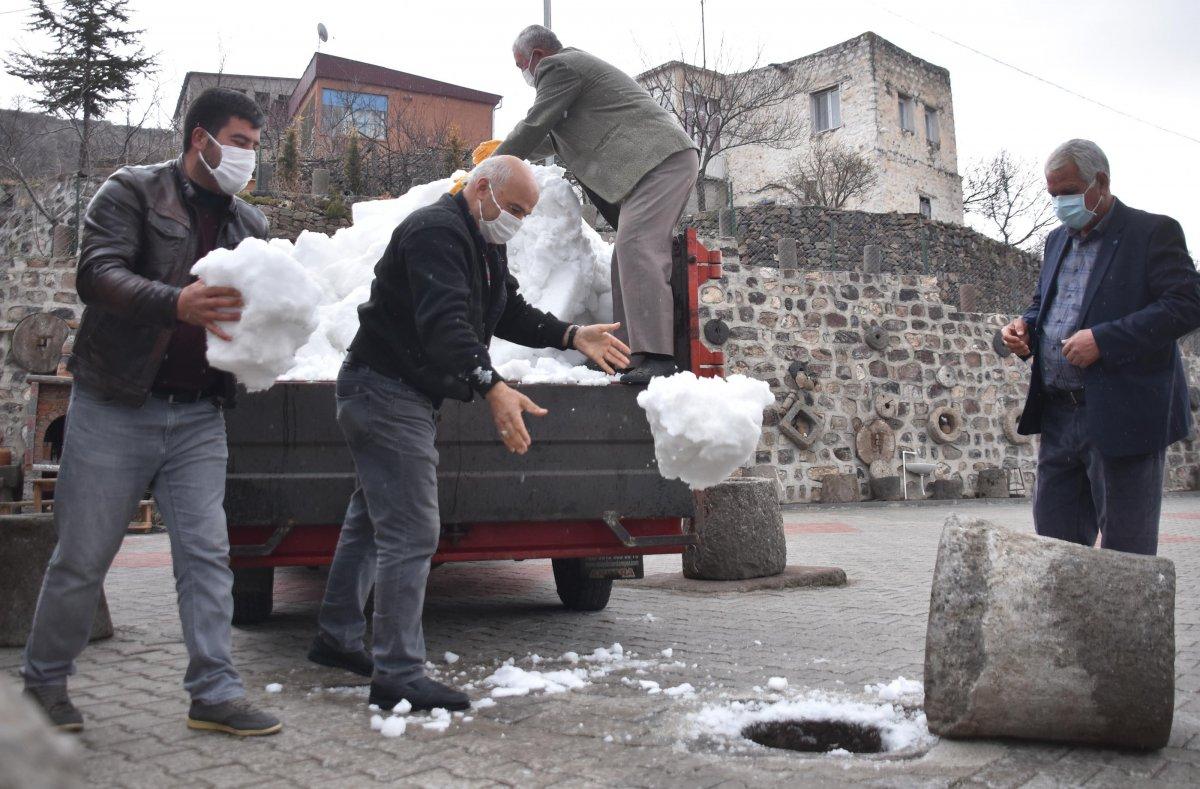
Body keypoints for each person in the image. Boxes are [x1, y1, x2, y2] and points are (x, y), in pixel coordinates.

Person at [306, 155, 630, 711]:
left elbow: (507, 312)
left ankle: (336, 637)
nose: (519, 222)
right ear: (481, 188)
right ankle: (398, 674)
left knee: (369, 518)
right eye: (516, 209)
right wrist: (493, 387)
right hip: (383, 392)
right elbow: (446, 326)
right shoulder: (435, 231)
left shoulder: (481, 239)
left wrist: (572, 334)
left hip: (392, 393)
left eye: (528, 213)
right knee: (411, 531)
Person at [20, 88, 282, 737]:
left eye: (255, 144)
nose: (250, 156)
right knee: (83, 554)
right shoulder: (132, 192)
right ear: (202, 139)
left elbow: (261, 311)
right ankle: (44, 683)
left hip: (199, 414)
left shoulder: (250, 226)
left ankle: (214, 690)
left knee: (206, 555)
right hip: (116, 402)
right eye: (241, 142)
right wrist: (175, 303)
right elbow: (96, 274)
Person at [1002, 139, 1200, 555]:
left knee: (1125, 553)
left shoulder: (1153, 233)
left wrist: (1103, 341)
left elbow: (1185, 306)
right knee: (1055, 546)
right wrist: (1026, 328)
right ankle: (1067, 623)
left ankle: (1126, 623)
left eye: (1069, 192)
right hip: (1058, 416)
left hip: (1122, 415)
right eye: (1053, 195)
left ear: (1101, 182)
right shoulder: (1057, 240)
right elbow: (1046, 303)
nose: (1060, 203)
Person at [493, 24, 699, 384]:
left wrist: (491, 167)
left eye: (521, 65)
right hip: (651, 167)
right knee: (625, 252)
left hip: (661, 160)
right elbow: (546, 139)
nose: (524, 74)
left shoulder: (560, 67)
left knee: (638, 247)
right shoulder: (570, 91)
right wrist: (499, 149)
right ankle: (625, 353)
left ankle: (659, 358)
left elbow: (533, 125)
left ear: (537, 57)